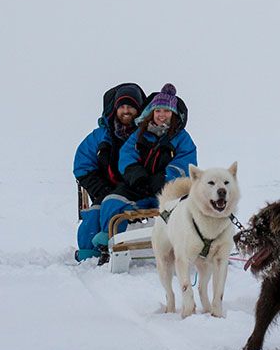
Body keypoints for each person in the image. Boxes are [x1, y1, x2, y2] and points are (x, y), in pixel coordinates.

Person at [83, 84, 198, 260]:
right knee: (111, 202)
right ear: (151, 112)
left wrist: (165, 178)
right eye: (158, 110)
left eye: (166, 111)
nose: (161, 115)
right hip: (139, 187)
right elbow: (127, 155)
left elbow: (185, 162)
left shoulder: (181, 137)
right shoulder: (140, 133)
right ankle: (111, 240)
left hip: (168, 191)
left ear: (174, 114)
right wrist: (136, 175)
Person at [72, 83, 146, 261]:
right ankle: (90, 253)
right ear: (115, 109)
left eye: (131, 107)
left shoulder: (146, 134)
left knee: (114, 207)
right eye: (122, 106)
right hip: (106, 189)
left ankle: (113, 245)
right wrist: (100, 189)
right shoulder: (100, 136)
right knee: (96, 212)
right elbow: (82, 165)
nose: (126, 111)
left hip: (138, 189)